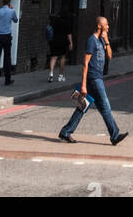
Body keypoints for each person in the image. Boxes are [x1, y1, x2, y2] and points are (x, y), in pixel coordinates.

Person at [58, 16, 128, 147]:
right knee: (105, 106)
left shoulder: (102, 40)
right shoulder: (91, 40)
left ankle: (66, 131)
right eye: (106, 25)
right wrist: (83, 84)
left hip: (97, 78)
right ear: (100, 26)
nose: (108, 27)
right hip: (93, 78)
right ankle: (115, 135)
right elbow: (85, 63)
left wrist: (107, 41)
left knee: (83, 106)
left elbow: (110, 56)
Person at [0, 0, 18, 87]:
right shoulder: (12, 11)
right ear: (9, 2)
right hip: (6, 36)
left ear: (3, 2)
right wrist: (12, 9)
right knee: (7, 57)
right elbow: (16, 20)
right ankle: (7, 79)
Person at [47, 10, 72, 82]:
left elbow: (50, 30)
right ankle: (60, 76)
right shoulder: (67, 23)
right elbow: (69, 34)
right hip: (63, 41)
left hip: (54, 41)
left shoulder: (54, 21)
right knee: (62, 57)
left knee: (53, 57)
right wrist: (71, 43)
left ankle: (51, 74)